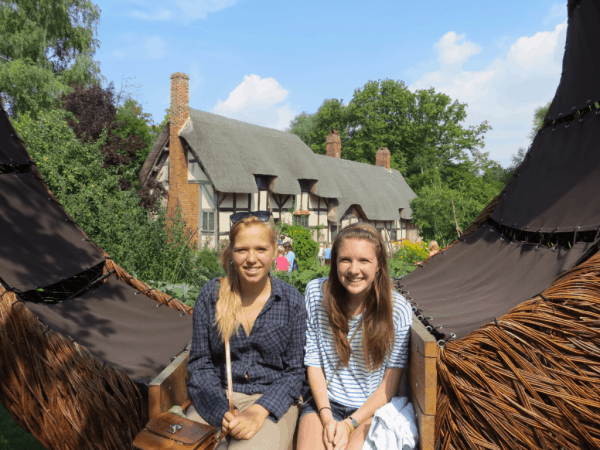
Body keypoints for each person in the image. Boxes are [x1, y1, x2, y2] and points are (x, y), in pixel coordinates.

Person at [186, 211, 307, 450]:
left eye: (260, 249)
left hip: (270, 401)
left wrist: (259, 411)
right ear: (231, 253)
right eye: (242, 250)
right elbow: (200, 362)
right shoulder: (211, 296)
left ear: (274, 251)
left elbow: (295, 372)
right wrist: (219, 410)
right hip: (217, 395)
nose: (251, 258)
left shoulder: (291, 300)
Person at [297, 222, 412, 450]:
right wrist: (328, 418)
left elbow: (390, 383)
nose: (353, 269)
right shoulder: (315, 294)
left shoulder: (397, 309)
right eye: (345, 260)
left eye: (364, 261)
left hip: (369, 410)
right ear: (335, 262)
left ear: (379, 265)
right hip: (323, 403)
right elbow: (313, 361)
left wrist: (350, 424)